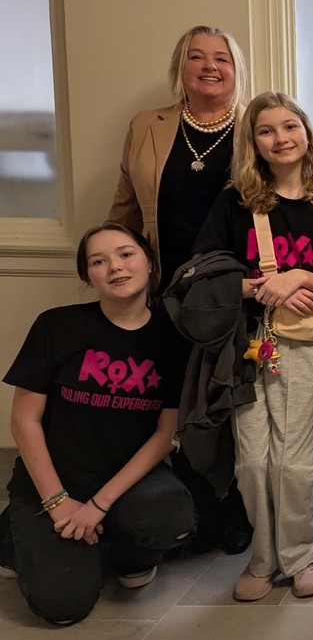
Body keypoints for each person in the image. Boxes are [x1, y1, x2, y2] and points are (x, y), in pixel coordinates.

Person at [0, 222, 194, 625]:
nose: (115, 268)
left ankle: (119, 549)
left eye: (126, 254)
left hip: (128, 484)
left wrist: (99, 505)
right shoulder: (57, 325)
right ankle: (13, 536)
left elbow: (165, 433)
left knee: (170, 517)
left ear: (149, 263)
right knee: (62, 608)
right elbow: (24, 421)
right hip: (53, 485)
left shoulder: (175, 337)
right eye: (98, 261)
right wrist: (57, 502)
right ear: (87, 275)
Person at [108, 23, 252, 555]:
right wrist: (116, 269)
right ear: (180, 68)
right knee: (170, 398)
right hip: (162, 287)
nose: (209, 66)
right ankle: (189, 506)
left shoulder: (255, 125)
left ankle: (236, 505)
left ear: (237, 70)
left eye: (222, 58)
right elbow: (124, 206)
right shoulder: (148, 125)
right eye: (197, 57)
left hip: (232, 290)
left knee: (227, 399)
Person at [192, 91, 313, 601]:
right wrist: (259, 287)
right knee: (253, 459)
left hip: (303, 343)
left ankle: (301, 551)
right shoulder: (234, 203)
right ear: (252, 142)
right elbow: (201, 281)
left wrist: (298, 275)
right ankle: (264, 555)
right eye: (266, 130)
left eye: (290, 126)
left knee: (295, 459)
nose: (281, 138)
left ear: (306, 133)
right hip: (245, 343)